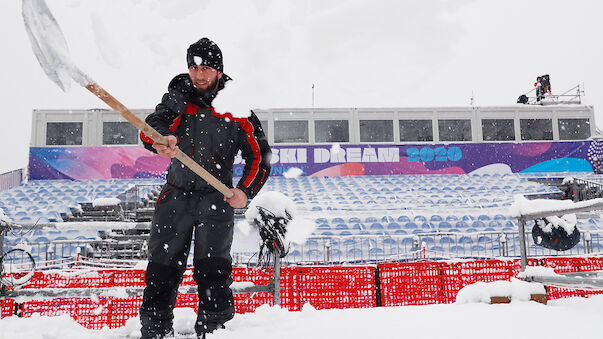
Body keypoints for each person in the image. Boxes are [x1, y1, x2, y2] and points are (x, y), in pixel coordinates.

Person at [138, 37, 271, 339]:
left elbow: (260, 157)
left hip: (217, 198)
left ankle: (214, 331)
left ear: (220, 72)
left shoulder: (237, 108)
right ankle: (155, 330)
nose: (199, 74)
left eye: (207, 67)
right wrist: (161, 140)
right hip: (176, 197)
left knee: (213, 272)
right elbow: (152, 127)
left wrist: (245, 191)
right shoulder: (177, 98)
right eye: (194, 66)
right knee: (162, 268)